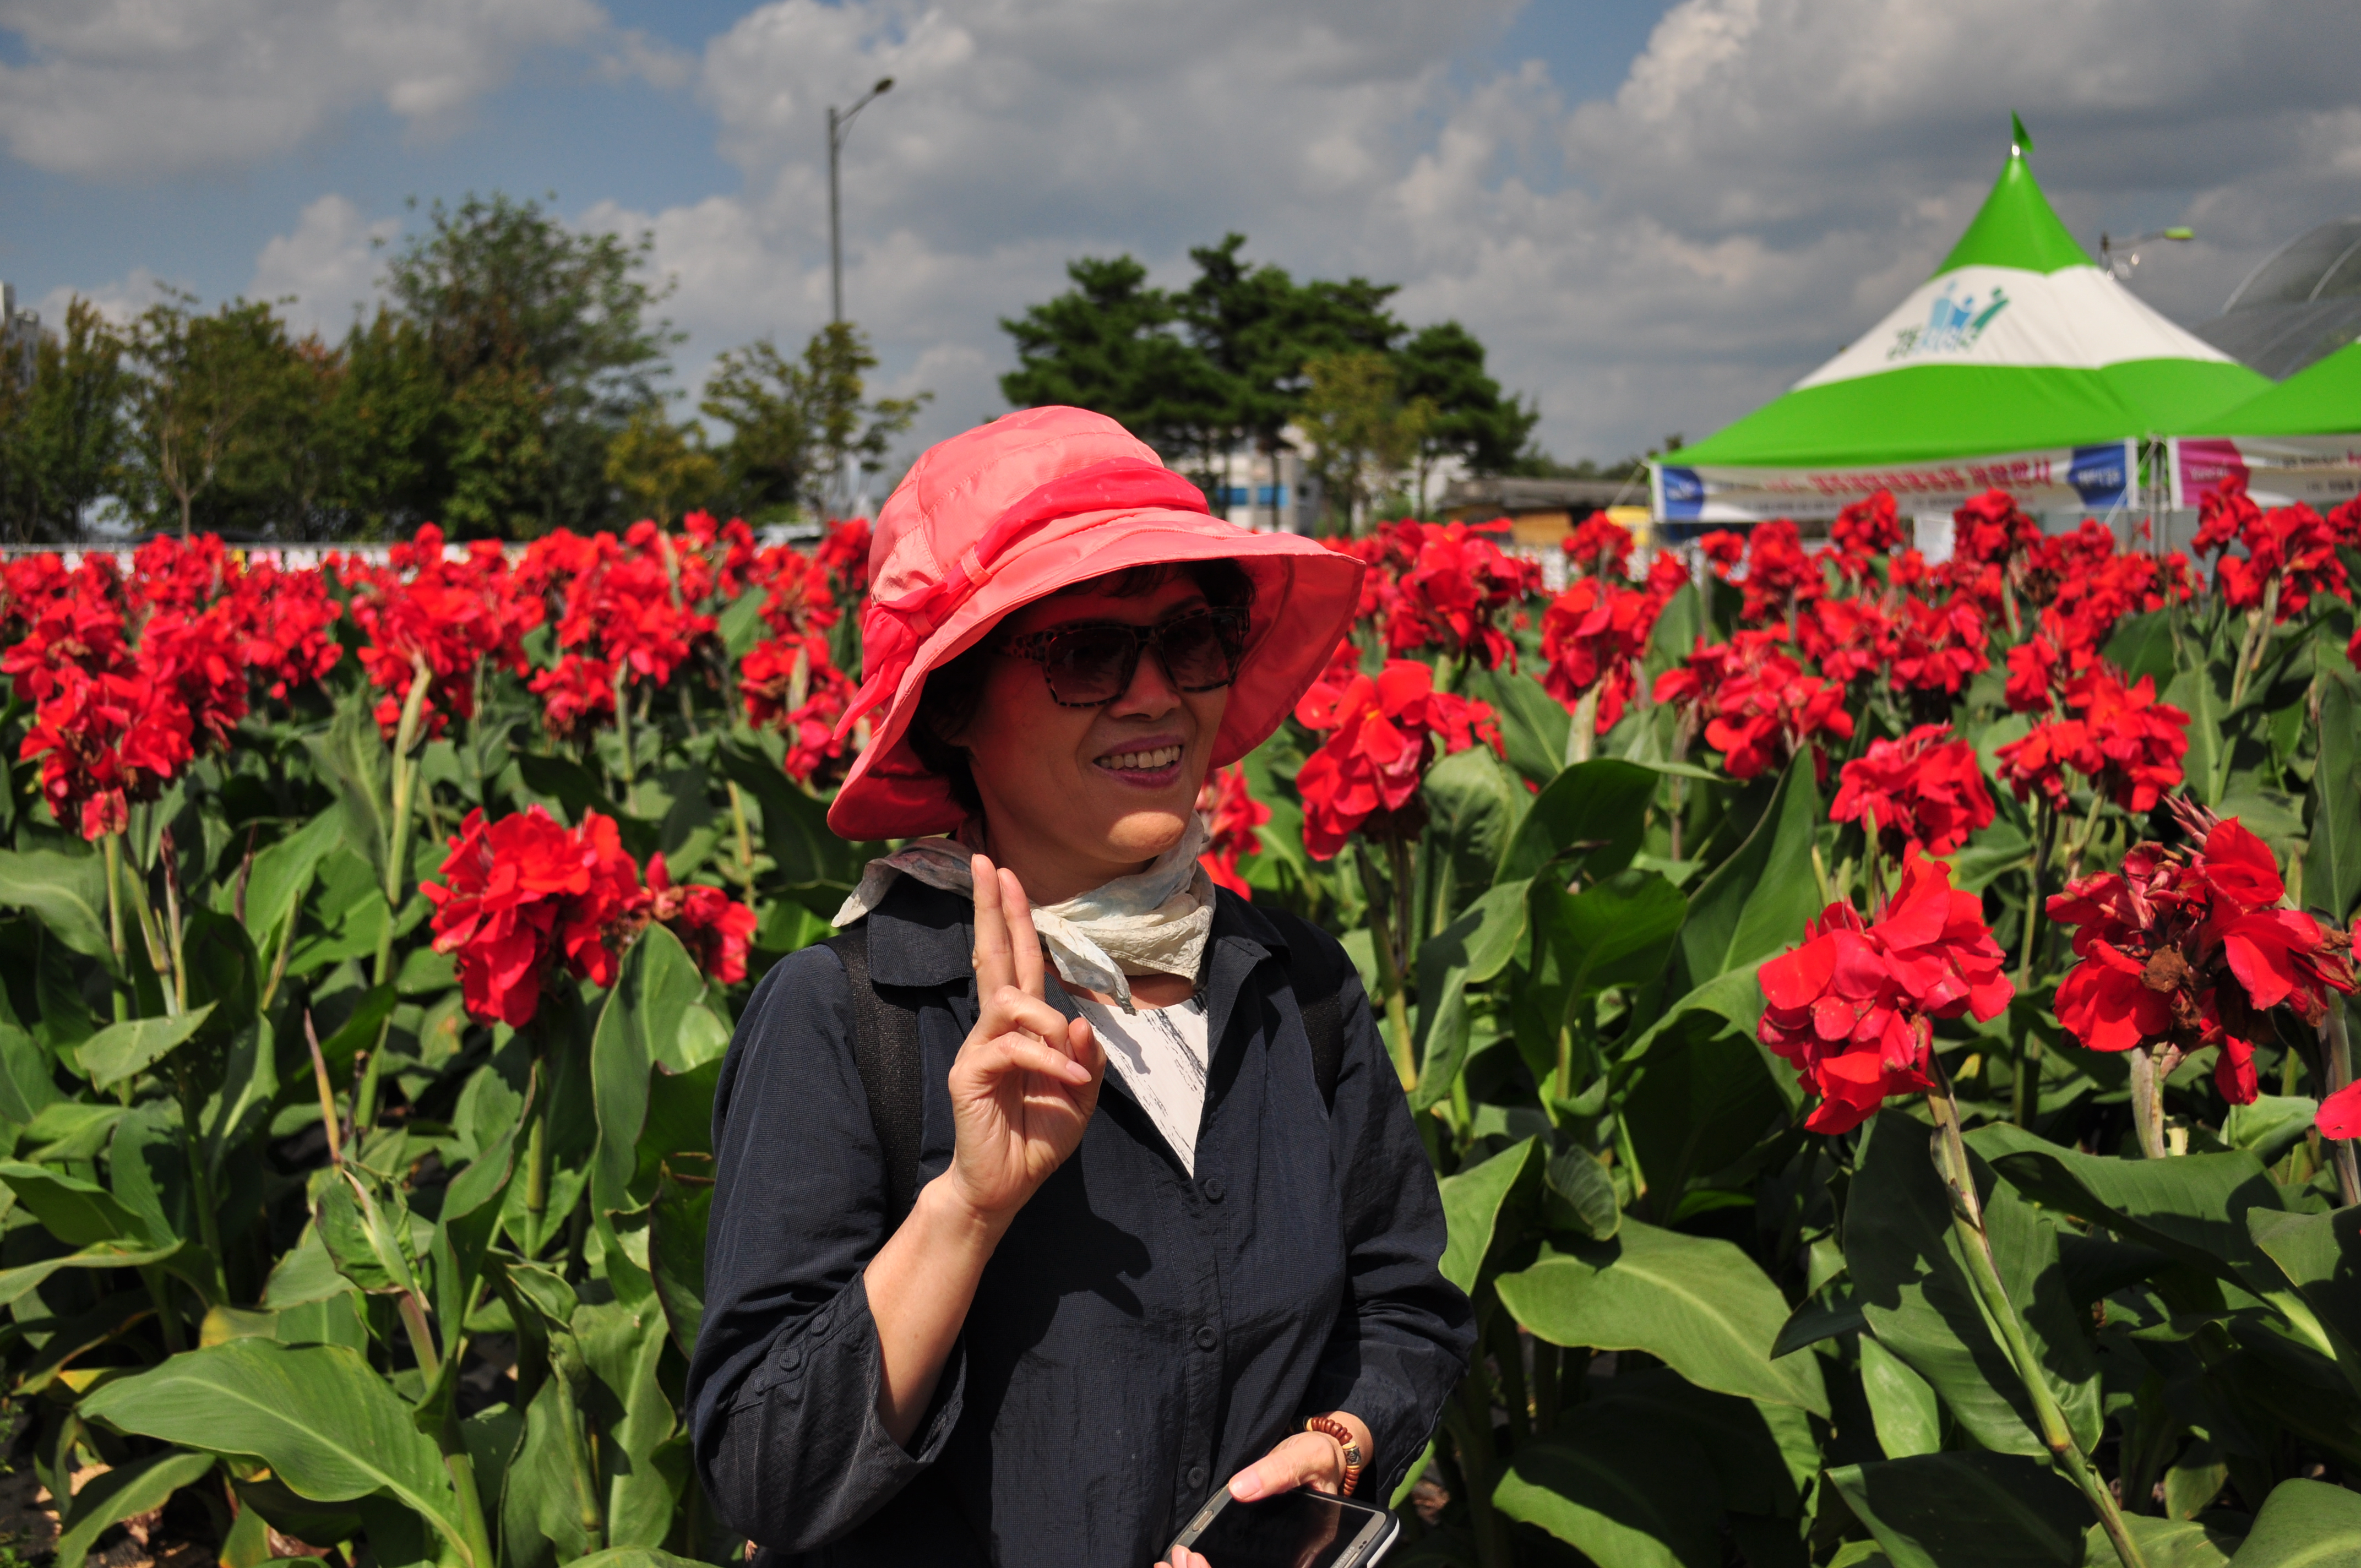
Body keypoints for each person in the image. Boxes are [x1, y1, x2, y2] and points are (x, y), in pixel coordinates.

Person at [688, 406, 1473, 1566]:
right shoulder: (851, 1015)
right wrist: (965, 1206)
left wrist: (1342, 1442)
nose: (1155, 694)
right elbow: (767, 1471)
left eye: (1195, 637)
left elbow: (1402, 1305)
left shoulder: (1293, 987)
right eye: (1087, 652)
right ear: (952, 702)